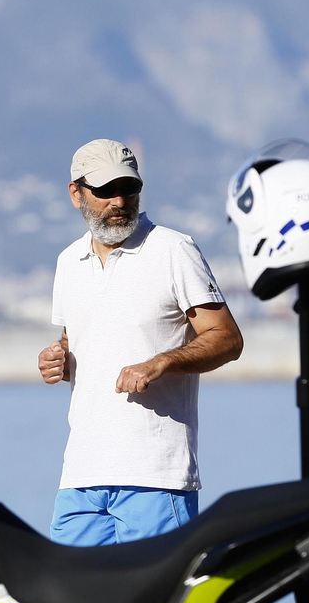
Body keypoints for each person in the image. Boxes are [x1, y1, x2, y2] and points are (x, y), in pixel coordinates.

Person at [37, 139, 243, 545]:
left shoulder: (173, 249)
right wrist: (58, 360)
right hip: (80, 476)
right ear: (75, 193)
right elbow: (74, 342)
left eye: (128, 189)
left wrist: (160, 363)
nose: (119, 201)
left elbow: (227, 339)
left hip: (155, 476)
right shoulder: (67, 262)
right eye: (105, 191)